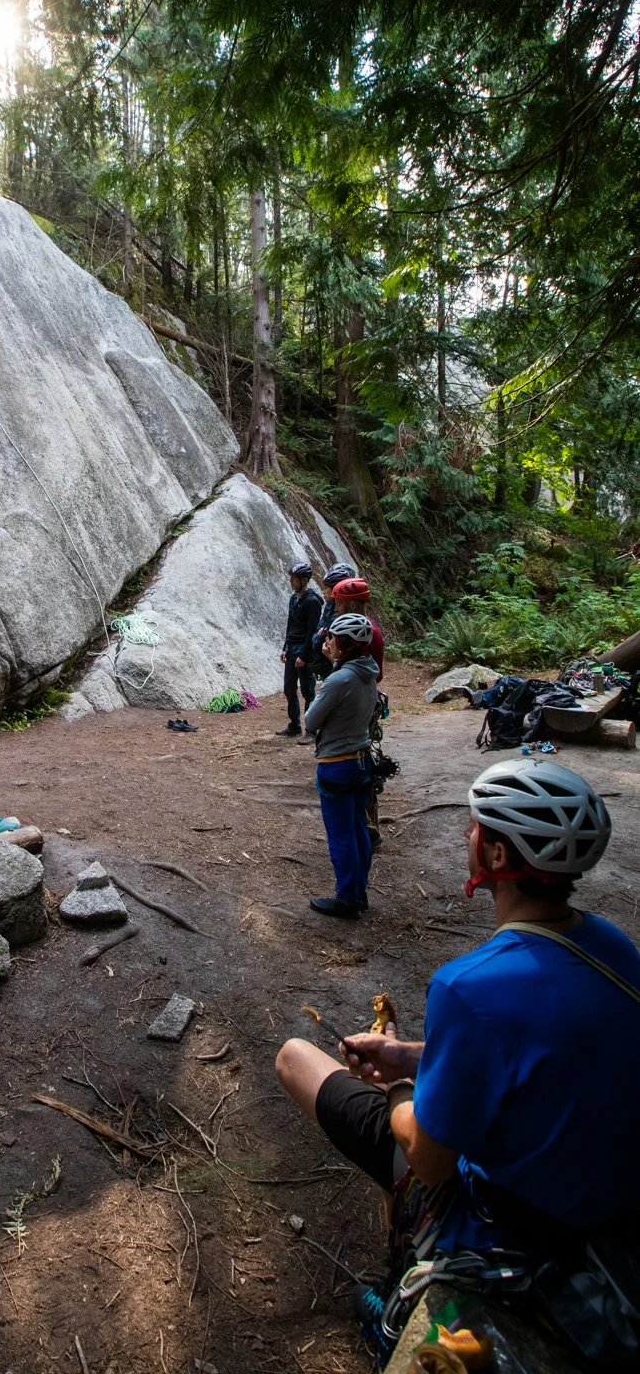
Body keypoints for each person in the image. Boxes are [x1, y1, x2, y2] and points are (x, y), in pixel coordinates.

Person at [275, 759, 640, 1361]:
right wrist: (409, 1054)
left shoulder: (468, 987)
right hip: (594, 1196)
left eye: (475, 828)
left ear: (496, 858)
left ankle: (400, 1299)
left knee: (297, 1058)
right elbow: (539, 1048)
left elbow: (433, 1159)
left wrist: (397, 1087)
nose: (467, 836)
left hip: (515, 1221)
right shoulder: (613, 947)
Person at [302, 613, 380, 918]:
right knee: (359, 828)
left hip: (337, 764)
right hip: (361, 761)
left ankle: (347, 899)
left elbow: (310, 721)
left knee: (341, 835)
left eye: (332, 638)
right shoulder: (367, 672)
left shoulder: (339, 680)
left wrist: (321, 690)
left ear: (344, 643)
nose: (327, 642)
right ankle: (358, 892)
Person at [332, 576, 386, 846]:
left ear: (351, 602)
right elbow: (378, 674)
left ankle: (364, 822)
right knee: (363, 758)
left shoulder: (363, 634)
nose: (337, 607)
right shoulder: (372, 630)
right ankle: (368, 820)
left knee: (353, 759)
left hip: (353, 707)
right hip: (367, 703)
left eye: (340, 603)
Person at [277, 561, 323, 737]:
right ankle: (294, 725)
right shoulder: (293, 599)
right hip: (292, 649)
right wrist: (285, 647)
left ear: (304, 580)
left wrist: (304, 654)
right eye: (291, 578)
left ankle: (311, 729)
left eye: (294, 579)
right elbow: (290, 624)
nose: (291, 581)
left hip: (304, 650)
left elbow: (312, 631)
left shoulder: (312, 602)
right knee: (289, 688)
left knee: (307, 691)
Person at [311, 561, 357, 680]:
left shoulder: (344, 616)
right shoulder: (329, 606)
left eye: (327, 587)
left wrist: (319, 635)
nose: (323, 591)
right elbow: (319, 632)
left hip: (335, 668)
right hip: (325, 665)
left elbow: (319, 640)